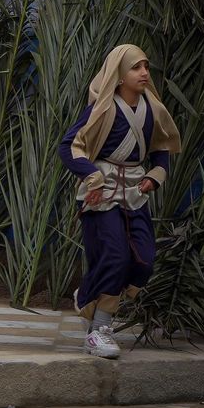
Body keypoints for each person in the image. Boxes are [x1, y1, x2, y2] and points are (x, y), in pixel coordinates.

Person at [58, 44, 181, 359]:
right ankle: (97, 331)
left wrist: (155, 176)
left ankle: (89, 295)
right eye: (135, 67)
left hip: (134, 194)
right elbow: (72, 145)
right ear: (119, 74)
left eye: (145, 66)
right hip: (101, 194)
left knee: (143, 260)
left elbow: (161, 150)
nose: (143, 73)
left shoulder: (152, 109)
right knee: (114, 255)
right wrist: (91, 176)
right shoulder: (103, 109)